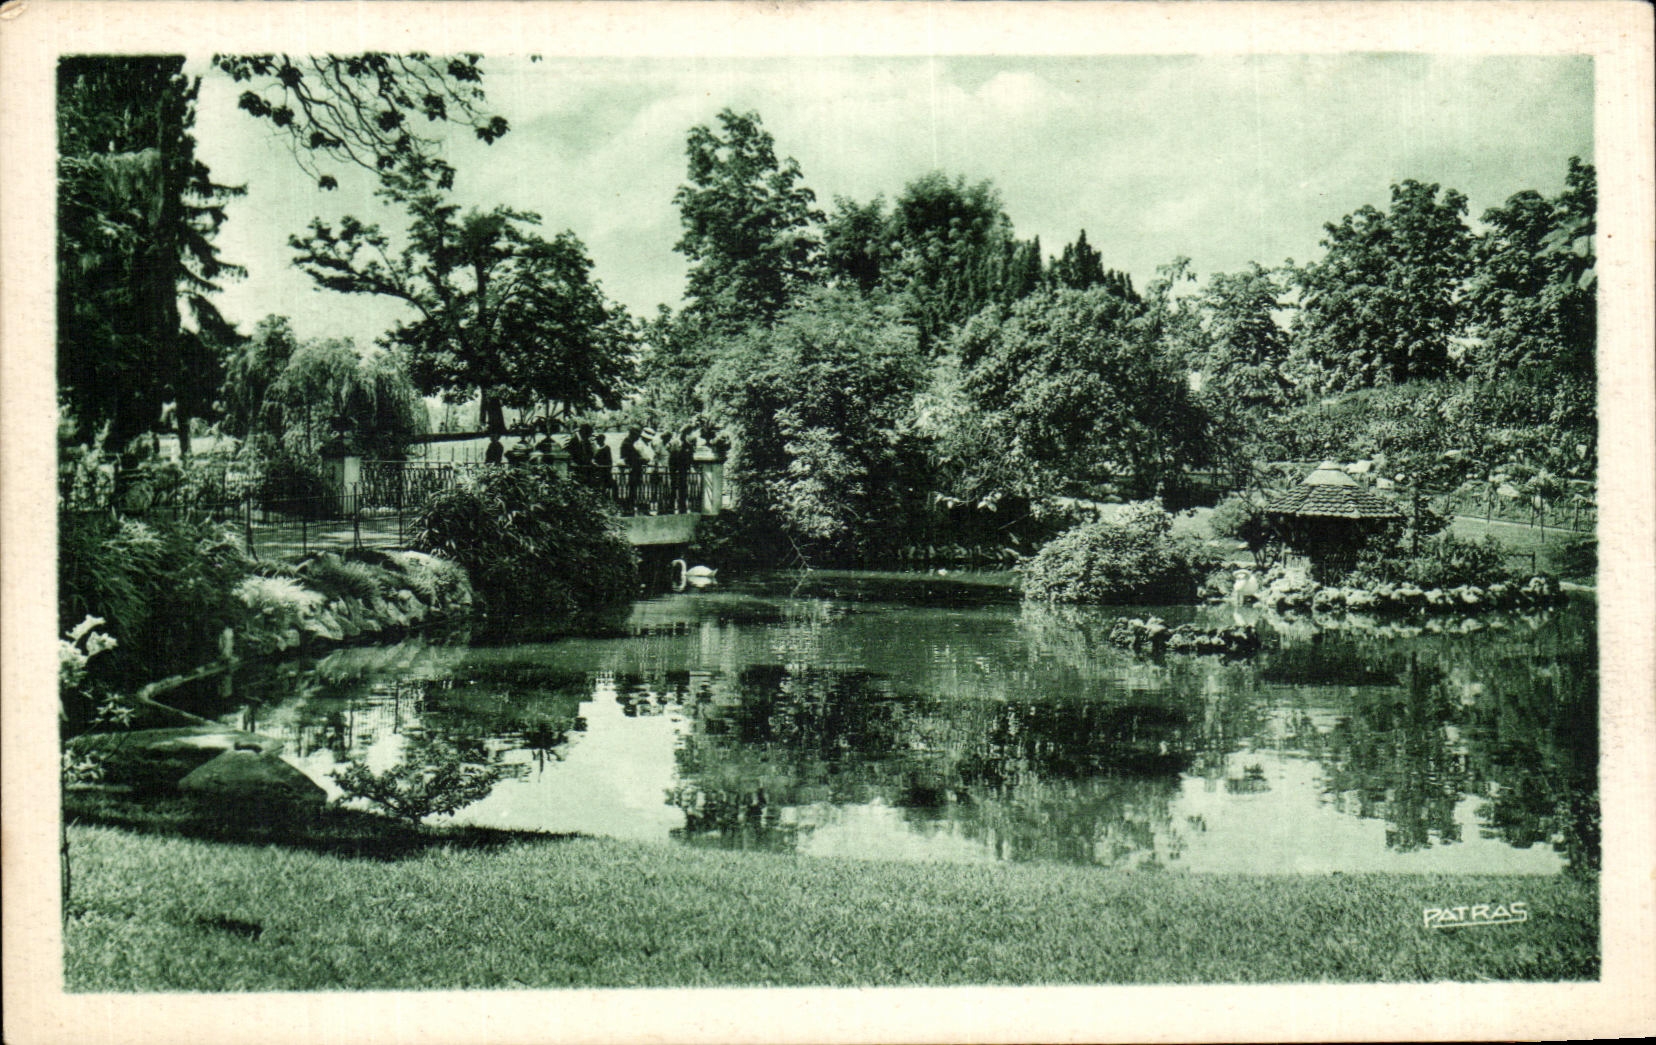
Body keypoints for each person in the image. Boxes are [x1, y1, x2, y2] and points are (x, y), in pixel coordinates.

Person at [667, 421, 696, 513]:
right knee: (673, 487)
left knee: (682, 487)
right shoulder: (675, 442)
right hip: (674, 468)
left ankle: (681, 507)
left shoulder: (688, 444)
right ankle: (671, 507)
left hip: (682, 469)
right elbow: (671, 453)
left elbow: (690, 455)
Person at [619, 425, 646, 513]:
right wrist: (643, 459)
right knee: (629, 491)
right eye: (637, 435)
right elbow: (632, 458)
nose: (638, 437)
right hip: (631, 472)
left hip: (634, 472)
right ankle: (628, 508)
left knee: (633, 491)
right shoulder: (627, 443)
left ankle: (630, 507)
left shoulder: (630, 443)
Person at [567, 422, 597, 486]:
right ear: (584, 432)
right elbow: (572, 455)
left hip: (586, 470)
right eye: (588, 434)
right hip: (577, 469)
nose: (589, 437)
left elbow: (590, 453)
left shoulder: (586, 441)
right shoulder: (574, 441)